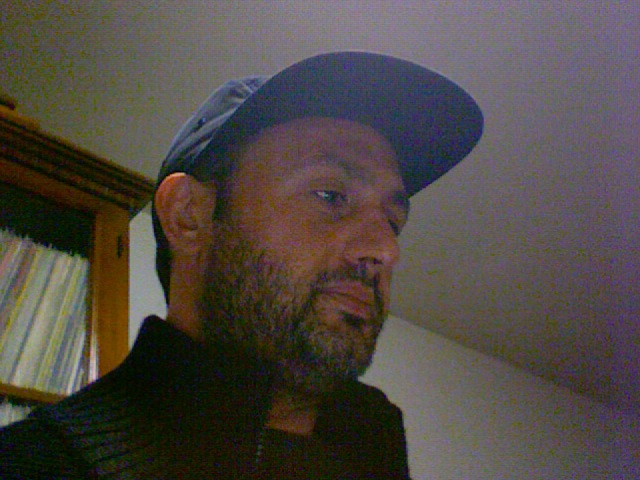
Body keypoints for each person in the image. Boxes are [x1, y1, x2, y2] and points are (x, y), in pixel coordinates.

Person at [0, 52, 482, 479]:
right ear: (189, 215)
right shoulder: (35, 464)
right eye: (331, 195)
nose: (385, 249)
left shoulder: (376, 449)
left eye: (393, 222)